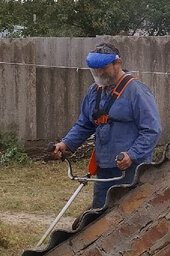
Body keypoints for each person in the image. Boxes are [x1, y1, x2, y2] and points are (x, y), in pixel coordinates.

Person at [49, 42, 161, 210]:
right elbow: (84, 124)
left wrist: (132, 154)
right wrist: (64, 144)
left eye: (103, 68)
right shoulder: (94, 91)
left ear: (117, 63)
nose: (99, 73)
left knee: (127, 216)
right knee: (99, 213)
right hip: (105, 167)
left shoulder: (136, 91)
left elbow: (152, 130)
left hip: (131, 169)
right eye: (95, 70)